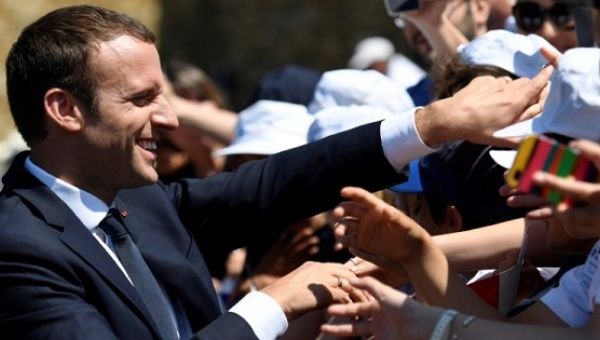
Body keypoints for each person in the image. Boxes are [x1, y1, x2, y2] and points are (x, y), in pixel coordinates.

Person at [0, 4, 553, 339]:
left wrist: (434, 123)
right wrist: (269, 305)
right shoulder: (19, 248)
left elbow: (280, 181)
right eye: (141, 99)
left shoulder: (139, 201)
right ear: (64, 110)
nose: (168, 118)